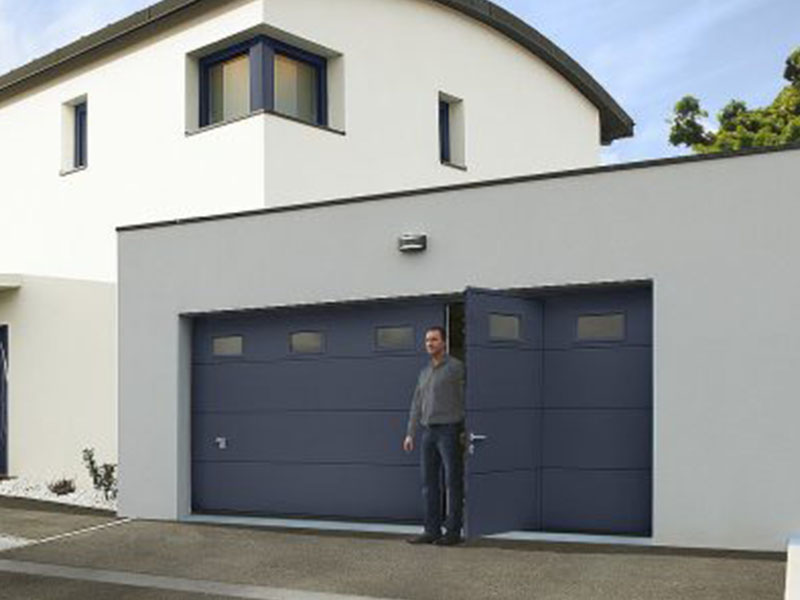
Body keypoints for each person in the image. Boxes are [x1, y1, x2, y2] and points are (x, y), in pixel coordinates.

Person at [403, 325, 465, 546]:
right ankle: (431, 530)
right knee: (429, 484)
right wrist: (410, 433)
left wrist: (465, 427)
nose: (430, 343)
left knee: (452, 483)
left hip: (449, 431)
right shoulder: (424, 372)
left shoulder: (457, 368)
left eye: (435, 340)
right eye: (427, 340)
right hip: (428, 433)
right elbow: (416, 404)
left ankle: (453, 532)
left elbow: (469, 397)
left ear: (444, 343)